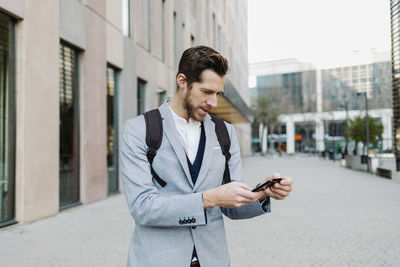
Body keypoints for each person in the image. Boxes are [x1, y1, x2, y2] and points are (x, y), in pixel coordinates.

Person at [120, 46, 293, 267]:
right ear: (182, 81)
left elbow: (231, 205)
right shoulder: (139, 130)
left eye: (218, 94)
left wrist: (263, 193)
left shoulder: (225, 132)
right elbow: (142, 208)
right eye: (206, 92)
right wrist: (209, 198)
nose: (214, 103)